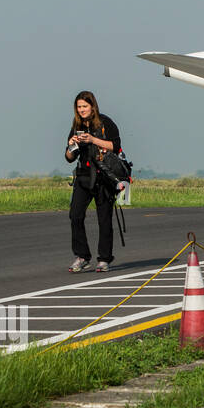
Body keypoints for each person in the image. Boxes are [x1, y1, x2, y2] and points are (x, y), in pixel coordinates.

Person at [64, 91, 123, 272]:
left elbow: (116, 145)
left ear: (93, 106)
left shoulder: (105, 122)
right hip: (83, 176)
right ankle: (82, 256)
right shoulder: (77, 125)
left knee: (104, 219)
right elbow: (69, 157)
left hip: (103, 177)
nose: (81, 110)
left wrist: (92, 139)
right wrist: (72, 144)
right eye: (79, 107)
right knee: (75, 215)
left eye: (84, 106)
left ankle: (104, 258)